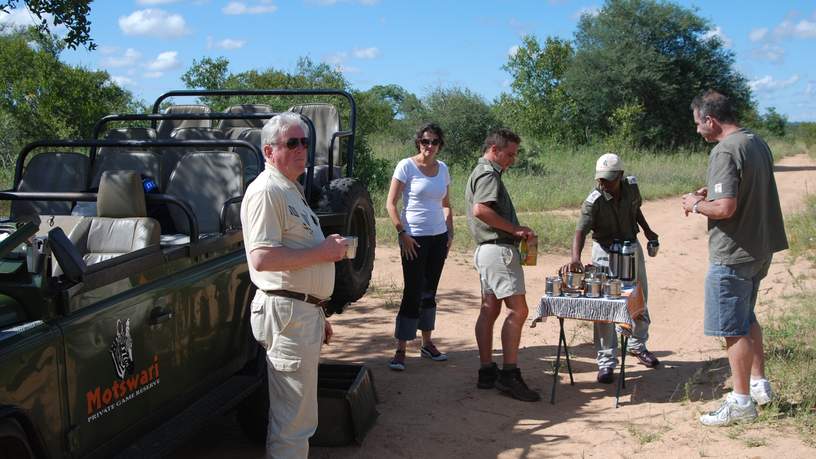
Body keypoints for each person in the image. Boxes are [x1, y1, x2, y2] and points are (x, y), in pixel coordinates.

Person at [240, 112, 349, 458]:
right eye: (292, 143)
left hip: (300, 313)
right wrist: (324, 251)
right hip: (288, 315)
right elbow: (262, 259)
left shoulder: (289, 189)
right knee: (293, 421)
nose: (302, 148)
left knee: (299, 415)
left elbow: (294, 259)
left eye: (304, 141)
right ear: (269, 151)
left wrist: (317, 311)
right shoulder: (267, 192)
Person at [682, 90, 788, 426]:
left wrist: (694, 204)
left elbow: (725, 208)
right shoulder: (755, 141)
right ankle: (759, 385)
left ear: (710, 120)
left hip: (733, 253)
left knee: (732, 327)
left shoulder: (723, 149)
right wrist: (707, 189)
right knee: (747, 316)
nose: (698, 130)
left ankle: (741, 402)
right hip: (759, 248)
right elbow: (740, 184)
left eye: (698, 124)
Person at [563, 153, 660, 384]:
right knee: (605, 307)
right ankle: (606, 361)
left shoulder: (631, 188)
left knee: (638, 297)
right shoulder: (593, 200)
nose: (603, 183)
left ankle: (638, 345)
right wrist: (575, 258)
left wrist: (647, 231)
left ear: (620, 176)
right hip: (604, 252)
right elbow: (580, 231)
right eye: (600, 179)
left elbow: (635, 210)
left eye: (608, 179)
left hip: (630, 248)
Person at [465, 128, 540, 402]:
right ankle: (510, 375)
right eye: (509, 154)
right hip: (498, 251)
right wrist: (515, 229)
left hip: (487, 251)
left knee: (490, 309)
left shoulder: (482, 172)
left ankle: (487, 370)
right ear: (494, 150)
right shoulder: (488, 173)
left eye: (515, 154)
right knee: (518, 311)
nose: (512, 159)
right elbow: (481, 210)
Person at [385, 123, 454, 371]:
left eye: (434, 142)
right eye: (425, 141)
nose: (429, 146)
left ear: (439, 145)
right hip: (413, 237)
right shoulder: (406, 166)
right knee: (412, 291)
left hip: (438, 237)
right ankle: (401, 349)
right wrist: (401, 233)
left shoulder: (443, 169)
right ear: (418, 142)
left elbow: (446, 204)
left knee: (429, 291)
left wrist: (450, 232)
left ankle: (427, 344)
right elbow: (390, 204)